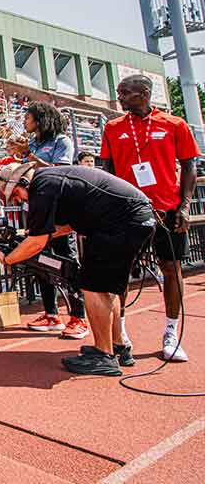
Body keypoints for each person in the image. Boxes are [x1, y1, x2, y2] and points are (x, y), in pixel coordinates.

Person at [0, 163, 156, 375]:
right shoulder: (51, 178)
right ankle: (118, 345)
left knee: (92, 287)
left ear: (23, 182)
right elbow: (70, 224)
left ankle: (103, 355)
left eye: (16, 194)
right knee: (105, 287)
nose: (18, 200)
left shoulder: (42, 186)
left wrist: (8, 259)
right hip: (133, 217)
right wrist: (44, 234)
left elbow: (37, 243)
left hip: (120, 223)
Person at [101, 74, 201, 362]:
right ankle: (119, 335)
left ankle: (171, 332)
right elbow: (107, 170)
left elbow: (189, 166)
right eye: (119, 92)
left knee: (172, 268)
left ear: (144, 93)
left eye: (125, 92)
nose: (119, 97)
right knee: (118, 272)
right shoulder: (113, 127)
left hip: (167, 209)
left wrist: (184, 206)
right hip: (127, 211)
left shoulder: (174, 124)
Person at [23, 101, 88, 339]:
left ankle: (78, 316)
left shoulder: (62, 141)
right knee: (40, 260)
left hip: (59, 209)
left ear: (40, 120)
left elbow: (61, 173)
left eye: (28, 118)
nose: (25, 122)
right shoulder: (32, 143)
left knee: (66, 261)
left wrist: (30, 157)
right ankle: (51, 313)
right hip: (36, 208)